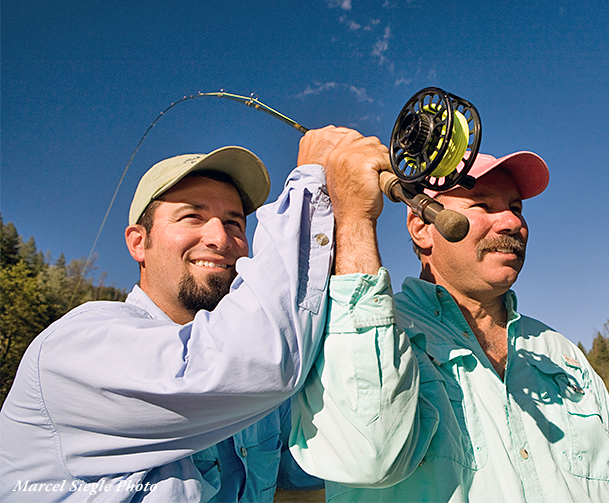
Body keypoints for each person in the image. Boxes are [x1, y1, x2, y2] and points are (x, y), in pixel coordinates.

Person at [0, 126, 422, 501]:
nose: (221, 238)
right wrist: (313, 182)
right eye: (192, 216)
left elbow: (316, 470)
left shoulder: (261, 388)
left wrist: (355, 224)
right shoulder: (73, 349)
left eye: (235, 222)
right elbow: (255, 361)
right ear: (137, 243)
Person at [303, 150, 609, 502]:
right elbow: (368, 457)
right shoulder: (358, 333)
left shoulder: (562, 354)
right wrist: (355, 219)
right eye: (483, 205)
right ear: (422, 228)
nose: (511, 223)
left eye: (516, 208)